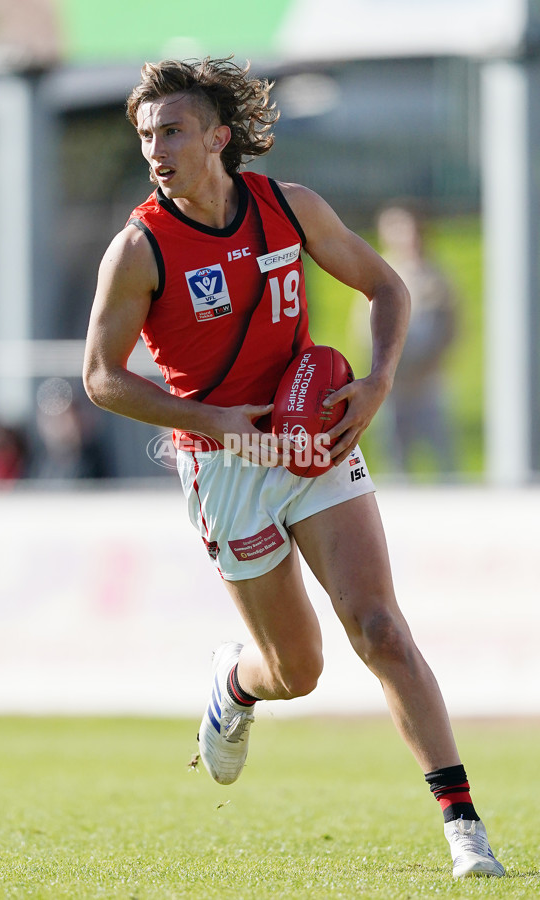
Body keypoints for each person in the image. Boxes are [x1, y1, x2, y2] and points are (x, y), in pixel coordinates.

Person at [83, 57, 503, 879]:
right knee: (296, 670)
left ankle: (463, 828)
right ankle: (235, 685)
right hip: (223, 463)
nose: (157, 149)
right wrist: (214, 422)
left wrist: (376, 384)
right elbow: (102, 377)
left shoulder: (289, 207)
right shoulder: (138, 249)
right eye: (145, 135)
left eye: (172, 130)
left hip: (314, 441)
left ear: (219, 136)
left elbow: (387, 289)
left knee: (380, 628)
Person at [375, 203, 458, 474]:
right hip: (394, 379)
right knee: (396, 450)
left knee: (442, 448)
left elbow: (452, 326)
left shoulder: (436, 275)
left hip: (428, 380)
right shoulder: (380, 272)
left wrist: (431, 362)